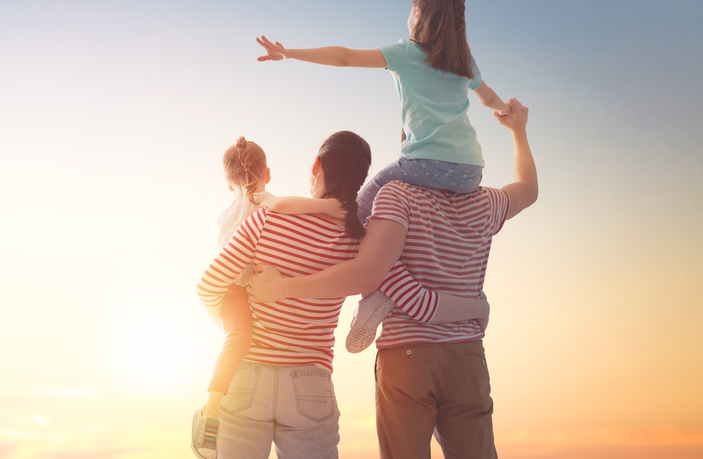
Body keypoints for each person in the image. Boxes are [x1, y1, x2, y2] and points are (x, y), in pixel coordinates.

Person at [248, 99, 538, 459]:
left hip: (407, 354)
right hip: (467, 354)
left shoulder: (397, 195)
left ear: (408, 143)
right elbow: (528, 189)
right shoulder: (486, 202)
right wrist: (518, 132)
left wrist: (284, 287)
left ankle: (375, 306)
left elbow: (369, 271)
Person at [195, 131, 494, 459]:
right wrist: (474, 307)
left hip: (247, 373)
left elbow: (209, 286)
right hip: (311, 381)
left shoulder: (267, 220)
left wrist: (235, 330)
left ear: (316, 166)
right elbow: (410, 296)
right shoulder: (361, 243)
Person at [256, 0, 513, 349]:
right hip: (470, 171)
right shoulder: (463, 63)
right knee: (390, 222)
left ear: (418, 14)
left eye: (411, 8)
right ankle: (390, 289)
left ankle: (373, 296)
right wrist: (507, 113)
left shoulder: (407, 52)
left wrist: (291, 53)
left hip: (424, 164)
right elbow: (488, 98)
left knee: (357, 214)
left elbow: (345, 56)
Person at [192, 136, 350, 459]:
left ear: (227, 182)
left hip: (245, 362)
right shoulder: (350, 235)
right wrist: (332, 208)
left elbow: (208, 285)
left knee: (234, 341)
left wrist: (226, 320)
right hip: (311, 379)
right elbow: (288, 205)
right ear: (267, 173)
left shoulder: (242, 218)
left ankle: (210, 407)